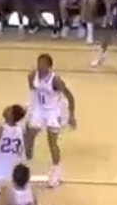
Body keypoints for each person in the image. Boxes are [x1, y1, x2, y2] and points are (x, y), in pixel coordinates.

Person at [25, 54, 78, 188]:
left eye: (43, 64)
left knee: (52, 141)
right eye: (38, 63)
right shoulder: (32, 76)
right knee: (28, 137)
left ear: (49, 66)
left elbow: (70, 97)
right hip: (39, 109)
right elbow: (34, 92)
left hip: (53, 111)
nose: (40, 66)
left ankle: (57, 171)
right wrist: (30, 109)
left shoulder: (56, 80)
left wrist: (71, 115)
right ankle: (27, 167)